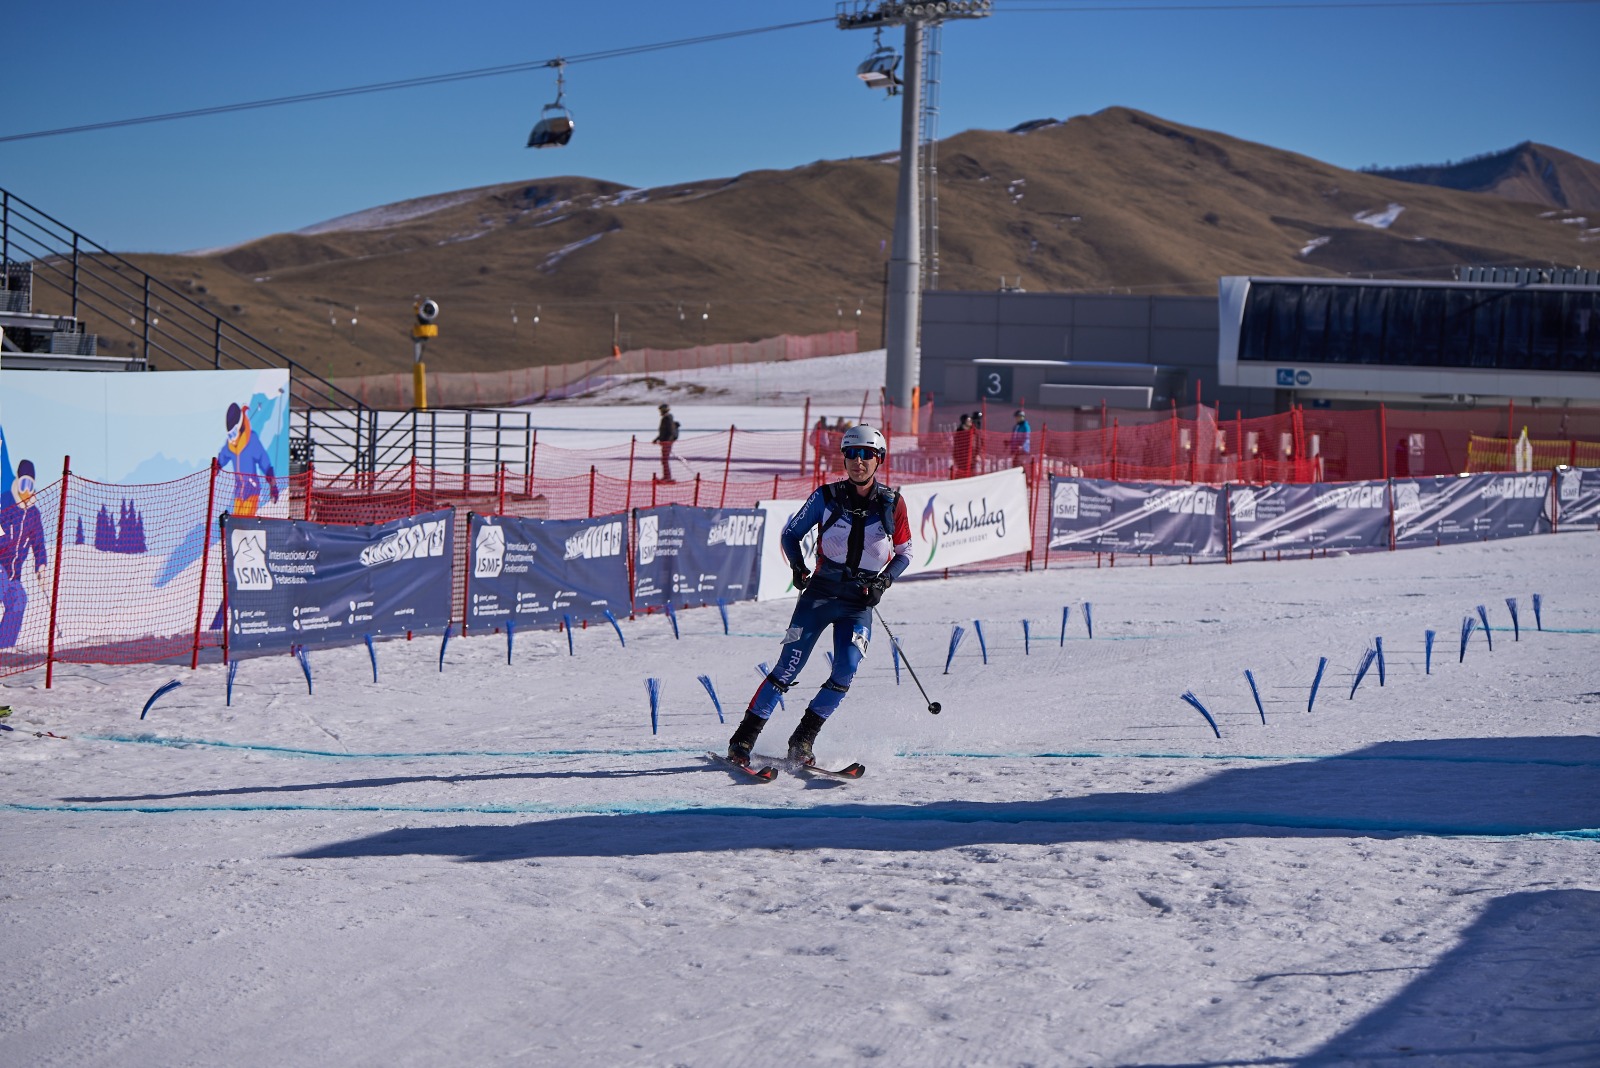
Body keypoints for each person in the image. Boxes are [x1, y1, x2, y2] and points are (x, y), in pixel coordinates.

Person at [726, 424, 911, 768]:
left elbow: (905, 553)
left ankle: (803, 740)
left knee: (847, 668)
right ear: (843, 458)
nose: (859, 461)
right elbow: (790, 534)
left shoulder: (892, 503)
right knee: (788, 666)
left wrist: (883, 583)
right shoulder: (826, 497)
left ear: (879, 460)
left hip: (859, 602)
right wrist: (798, 568)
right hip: (821, 594)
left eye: (867, 454)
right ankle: (742, 740)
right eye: (852, 454)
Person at [0, 459, 48, 649]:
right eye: (23, 484)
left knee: (19, 599)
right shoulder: (5, 502)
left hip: (14, 573)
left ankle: (4, 648)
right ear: (17, 483)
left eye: (30, 485)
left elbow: (39, 543)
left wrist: (41, 566)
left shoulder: (33, 514)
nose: (26, 490)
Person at [217, 402, 279, 516]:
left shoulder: (251, 440)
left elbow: (264, 460)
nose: (232, 438)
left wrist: (273, 484)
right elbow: (224, 456)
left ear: (240, 426)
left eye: (234, 433)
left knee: (245, 521)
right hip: (239, 492)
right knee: (237, 521)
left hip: (251, 490)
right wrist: (217, 465)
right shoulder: (231, 445)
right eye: (230, 435)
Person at [652, 403, 680, 482]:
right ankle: (666, 476)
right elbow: (663, 432)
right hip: (665, 441)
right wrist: (657, 439)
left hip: (667, 442)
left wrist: (666, 441)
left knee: (665, 460)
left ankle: (667, 477)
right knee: (664, 460)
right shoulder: (666, 418)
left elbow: (670, 431)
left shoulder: (667, 418)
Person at [952, 413, 975, 479]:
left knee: (970, 470)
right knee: (962, 470)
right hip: (962, 455)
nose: (970, 422)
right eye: (968, 420)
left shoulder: (973, 430)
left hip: (971, 454)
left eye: (971, 420)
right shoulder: (960, 431)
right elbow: (957, 444)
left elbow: (976, 442)